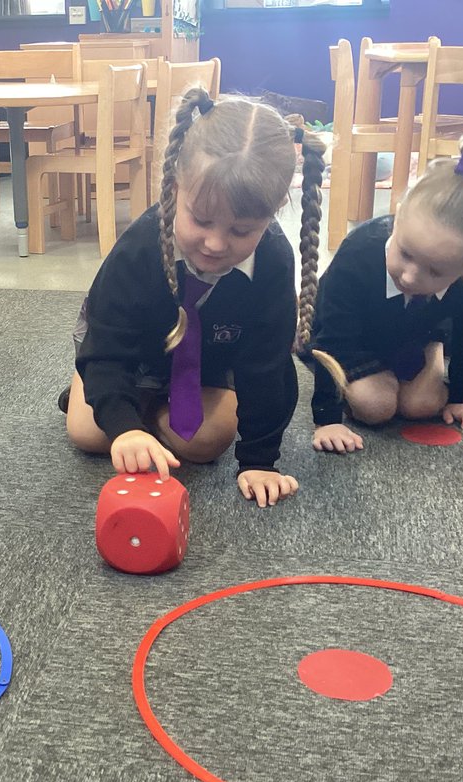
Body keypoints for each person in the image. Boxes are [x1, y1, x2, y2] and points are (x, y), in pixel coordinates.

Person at [61, 88, 324, 508]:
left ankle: (139, 403)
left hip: (214, 362)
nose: (216, 244)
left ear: (273, 213)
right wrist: (124, 426)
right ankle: (104, 392)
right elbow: (108, 347)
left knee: (205, 443)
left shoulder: (273, 259)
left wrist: (260, 460)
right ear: (174, 186)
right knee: (89, 433)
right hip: (130, 351)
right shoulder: (140, 247)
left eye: (241, 231)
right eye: (200, 220)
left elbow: (268, 366)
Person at [297, 132, 463, 453]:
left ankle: (434, 350)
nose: (410, 276)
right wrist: (327, 418)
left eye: (435, 271)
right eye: (406, 254)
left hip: (421, 331)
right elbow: (332, 340)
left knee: (421, 407)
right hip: (357, 339)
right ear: (398, 216)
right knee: (375, 407)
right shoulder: (359, 252)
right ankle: (419, 359)